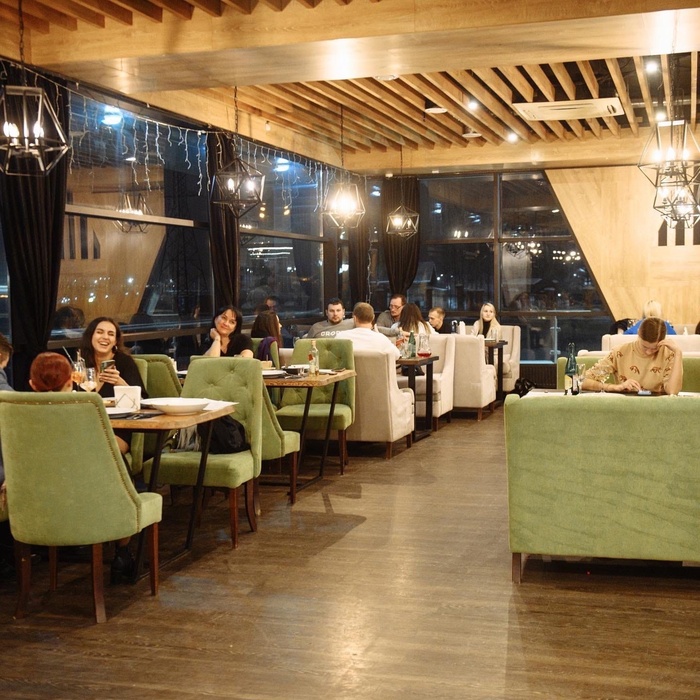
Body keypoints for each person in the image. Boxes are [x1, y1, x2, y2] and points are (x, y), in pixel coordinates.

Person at [79, 317, 148, 455]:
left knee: (96, 448)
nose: (105, 337)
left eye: (110, 334)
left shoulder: (124, 362)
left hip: (117, 429)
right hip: (84, 426)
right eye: (100, 332)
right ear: (90, 336)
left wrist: (119, 383)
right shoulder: (81, 364)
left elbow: (143, 402)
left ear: (115, 341)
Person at [581, 317, 683, 394]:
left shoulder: (668, 354)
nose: (649, 352)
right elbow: (582, 382)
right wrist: (614, 387)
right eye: (644, 347)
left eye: (655, 348)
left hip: (658, 409)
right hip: (626, 408)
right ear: (638, 334)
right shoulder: (620, 352)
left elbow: (673, 391)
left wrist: (678, 353)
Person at [336, 302, 401, 359]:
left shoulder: (341, 337)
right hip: (375, 370)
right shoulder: (381, 339)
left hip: (351, 370)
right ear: (373, 317)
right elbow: (397, 355)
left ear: (354, 318)